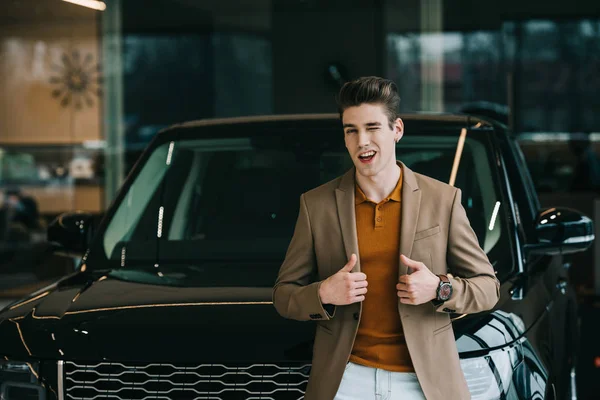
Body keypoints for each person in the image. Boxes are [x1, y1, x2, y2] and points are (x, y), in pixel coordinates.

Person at [272, 76, 500, 400]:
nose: (362, 140)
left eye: (372, 127)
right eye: (351, 130)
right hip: (346, 381)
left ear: (397, 130)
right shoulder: (315, 205)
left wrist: (439, 287)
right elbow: (283, 295)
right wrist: (322, 292)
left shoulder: (443, 200)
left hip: (424, 383)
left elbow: (488, 288)